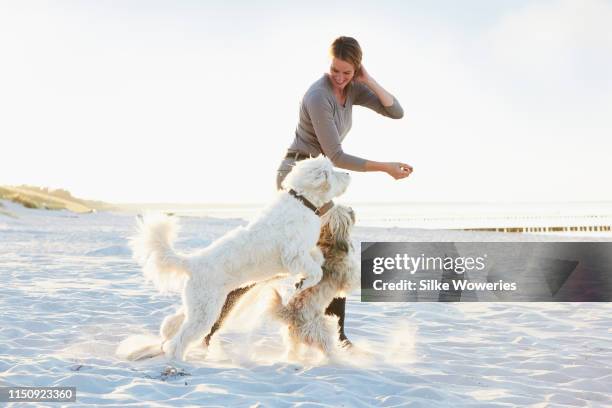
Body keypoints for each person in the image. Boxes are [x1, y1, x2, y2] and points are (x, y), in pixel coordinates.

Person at [204, 36, 413, 348]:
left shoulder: (354, 87)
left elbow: (396, 112)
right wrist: (386, 167)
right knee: (279, 261)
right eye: (335, 70)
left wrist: (367, 80)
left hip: (319, 184)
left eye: (347, 72)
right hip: (298, 180)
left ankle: (326, 331)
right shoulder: (318, 96)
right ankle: (213, 329)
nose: (340, 78)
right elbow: (337, 155)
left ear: (356, 69)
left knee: (331, 252)